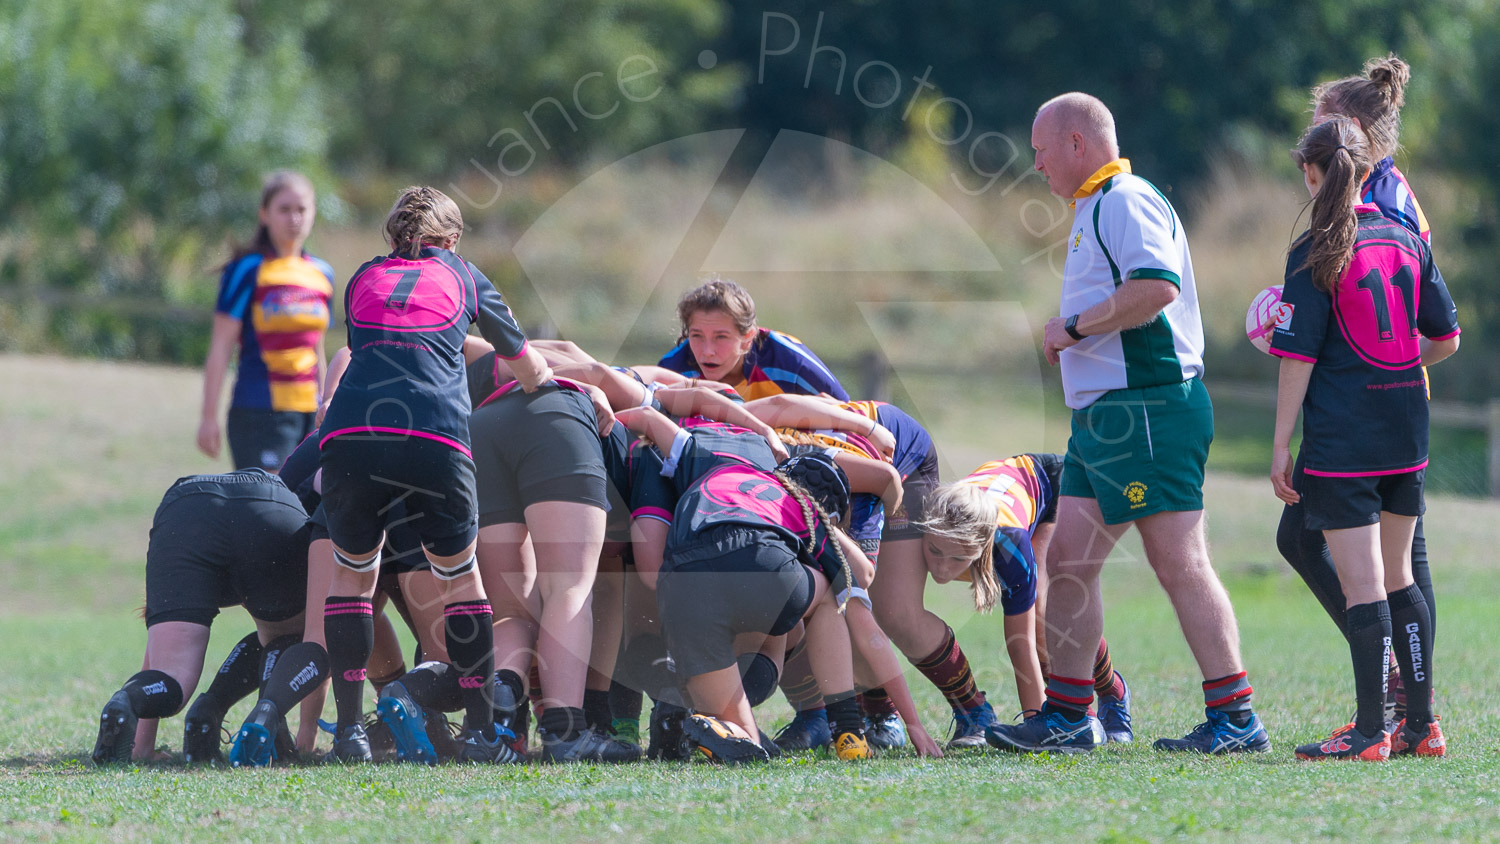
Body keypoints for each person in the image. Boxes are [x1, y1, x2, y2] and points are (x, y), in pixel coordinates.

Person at [989, 93, 1269, 755]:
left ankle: (1235, 718)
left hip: (1145, 407)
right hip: (1108, 415)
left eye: (1041, 150)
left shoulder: (1124, 198)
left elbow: (1156, 288)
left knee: (1177, 561)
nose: (1036, 164)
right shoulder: (1096, 205)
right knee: (1068, 562)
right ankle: (1066, 718)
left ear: (1077, 144)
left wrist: (1074, 328)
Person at [315, 186, 552, 764]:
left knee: (353, 579)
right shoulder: (467, 277)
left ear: (390, 238)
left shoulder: (361, 278)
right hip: (434, 436)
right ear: (452, 240)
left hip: (351, 435)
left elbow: (376, 353)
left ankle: (348, 733)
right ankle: (477, 731)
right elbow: (529, 366)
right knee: (460, 582)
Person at [1271, 118, 1458, 760]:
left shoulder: (1315, 250)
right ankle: (1421, 726)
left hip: (1345, 438)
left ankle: (1372, 733)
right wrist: (1396, 365)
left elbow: (1295, 360)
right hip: (1407, 428)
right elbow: (1445, 337)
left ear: (1311, 172)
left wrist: (1278, 448)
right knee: (1401, 574)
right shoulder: (1406, 236)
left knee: (1363, 585)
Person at [618, 408, 942, 763]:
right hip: (761, 566)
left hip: (681, 587)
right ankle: (847, 727)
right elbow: (862, 575)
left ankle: (688, 714)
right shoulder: (800, 504)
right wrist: (914, 724)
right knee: (829, 596)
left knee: (750, 744)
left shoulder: (718, 467)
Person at [882, 455, 1135, 748]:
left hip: (1053, 486)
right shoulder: (926, 523)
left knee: (1046, 617)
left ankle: (1111, 694)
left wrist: (1034, 726)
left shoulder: (1008, 544)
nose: (942, 568)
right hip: (1007, 487)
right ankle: (976, 715)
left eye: (958, 559)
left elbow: (1020, 641)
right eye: (935, 551)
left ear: (984, 547)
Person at [91, 469, 311, 764]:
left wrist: (142, 745)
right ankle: (253, 718)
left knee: (172, 674)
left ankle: (127, 701)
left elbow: (157, 649)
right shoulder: (318, 457)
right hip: (267, 504)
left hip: (187, 508)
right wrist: (308, 735)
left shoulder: (304, 459)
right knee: (289, 636)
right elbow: (317, 642)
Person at [199, 171, 334, 471]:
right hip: (259, 410)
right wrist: (208, 418)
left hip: (310, 414)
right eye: (284, 209)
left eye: (301, 209)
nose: (294, 218)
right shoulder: (247, 269)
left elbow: (318, 349)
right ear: (265, 214)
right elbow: (220, 347)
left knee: (306, 508)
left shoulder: (323, 274)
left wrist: (327, 405)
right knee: (267, 509)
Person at [658, 275, 849, 401]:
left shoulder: (790, 362)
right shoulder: (673, 369)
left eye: (721, 337)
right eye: (697, 336)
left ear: (747, 339)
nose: (707, 351)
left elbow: (849, 413)